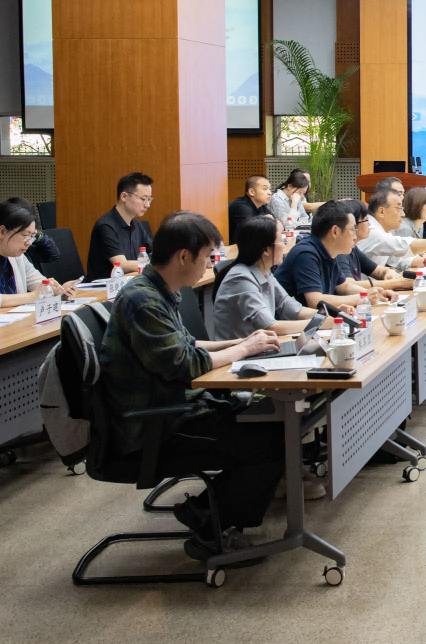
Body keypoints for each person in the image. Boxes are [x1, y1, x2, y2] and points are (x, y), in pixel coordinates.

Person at [97, 211, 286, 560]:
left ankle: (205, 509)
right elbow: (185, 364)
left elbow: (189, 345)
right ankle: (212, 529)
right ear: (184, 256)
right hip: (158, 424)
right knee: (271, 441)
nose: (211, 265)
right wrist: (244, 350)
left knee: (267, 421)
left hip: (176, 407)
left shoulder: (158, 290)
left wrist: (241, 343)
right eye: (207, 257)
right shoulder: (142, 300)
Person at [212, 216, 329, 339]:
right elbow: (270, 326)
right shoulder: (240, 279)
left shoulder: (264, 272)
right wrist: (320, 323)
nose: (283, 246)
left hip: (258, 346)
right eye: (281, 241)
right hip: (239, 350)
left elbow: (290, 307)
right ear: (266, 250)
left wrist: (327, 316)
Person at [273, 201, 388, 309]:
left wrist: (374, 293)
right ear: (335, 231)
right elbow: (315, 300)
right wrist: (362, 297)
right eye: (352, 230)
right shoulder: (306, 254)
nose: (354, 236)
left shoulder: (328, 251)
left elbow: (344, 287)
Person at [0, 201, 77, 311]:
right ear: (2, 231)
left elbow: (41, 286)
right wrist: (34, 295)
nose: (29, 242)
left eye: (32, 236)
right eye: (25, 235)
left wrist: (60, 292)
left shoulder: (16, 255)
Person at [87, 172, 155, 278]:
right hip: (105, 286)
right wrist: (156, 265)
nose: (147, 205)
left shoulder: (137, 225)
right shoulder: (105, 226)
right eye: (143, 199)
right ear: (124, 196)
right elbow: (122, 265)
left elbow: (154, 254)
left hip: (130, 283)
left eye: (149, 199)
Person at [336, 200, 415, 292]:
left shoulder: (353, 249)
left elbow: (379, 271)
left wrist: (388, 273)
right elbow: (348, 285)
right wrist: (397, 283)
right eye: (366, 220)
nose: (369, 224)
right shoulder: (340, 253)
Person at [362, 189, 426, 272]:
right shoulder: (371, 231)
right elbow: (404, 246)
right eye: (398, 209)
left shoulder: (383, 230)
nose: (403, 214)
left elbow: (396, 260)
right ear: (381, 212)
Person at [5, 197, 59, 267]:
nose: (29, 242)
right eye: (24, 234)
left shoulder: (29, 247)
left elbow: (53, 255)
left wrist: (37, 235)